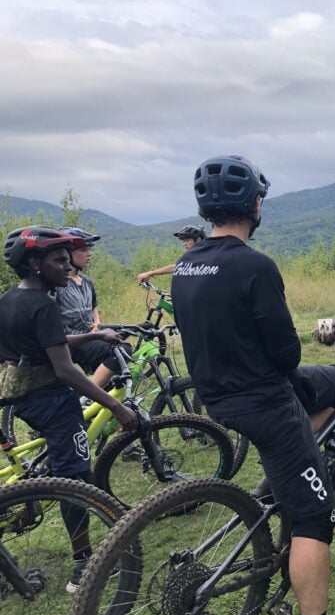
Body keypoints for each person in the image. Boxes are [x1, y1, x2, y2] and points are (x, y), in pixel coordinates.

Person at [171, 155, 335, 615]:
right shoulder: (254, 265)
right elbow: (287, 355)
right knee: (316, 519)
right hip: (267, 402)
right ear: (254, 204)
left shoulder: (188, 263)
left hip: (219, 398)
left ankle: (295, 470)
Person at [0, 226, 138, 591]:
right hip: (54, 403)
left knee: (59, 465)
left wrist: (94, 334)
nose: (67, 267)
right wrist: (116, 406)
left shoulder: (10, 298)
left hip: (22, 401)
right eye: (58, 260)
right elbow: (64, 367)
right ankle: (83, 565)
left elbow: (48, 345)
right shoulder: (44, 304)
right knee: (76, 482)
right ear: (34, 263)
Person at [54, 227, 129, 387]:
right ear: (67, 253)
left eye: (89, 249)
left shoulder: (87, 281)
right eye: (83, 249)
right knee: (121, 351)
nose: (89, 253)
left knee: (115, 381)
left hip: (90, 336)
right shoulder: (58, 284)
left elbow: (93, 307)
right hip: (72, 342)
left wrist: (97, 323)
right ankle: (89, 394)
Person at [136, 224, 205, 283]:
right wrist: (150, 273)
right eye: (183, 241)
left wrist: (150, 273)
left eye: (187, 240)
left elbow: (174, 268)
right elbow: (176, 267)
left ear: (198, 240)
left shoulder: (204, 256)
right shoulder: (192, 256)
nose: (184, 244)